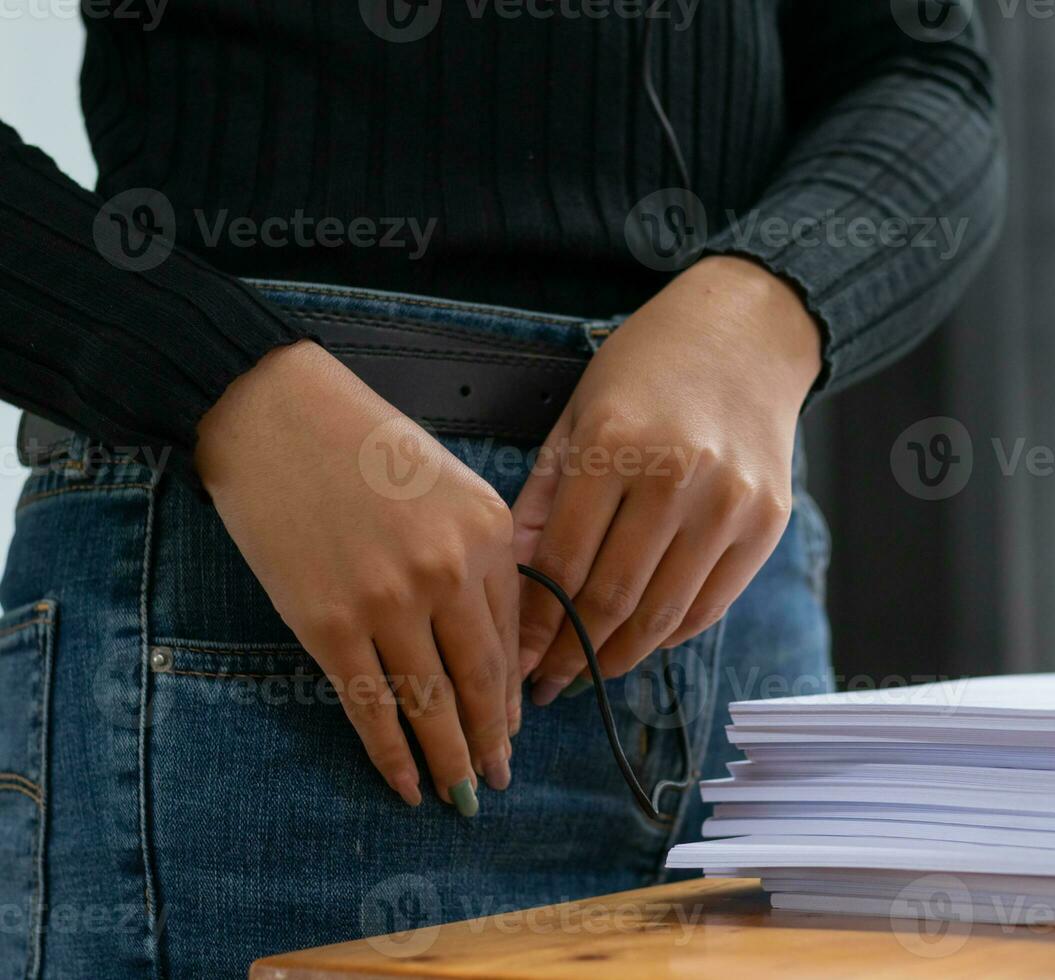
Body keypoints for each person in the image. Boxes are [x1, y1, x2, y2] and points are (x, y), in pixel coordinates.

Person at [0, 1, 1004, 976]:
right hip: (261, 620)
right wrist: (222, 381)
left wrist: (768, 306)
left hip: (732, 629)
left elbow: (927, 75)